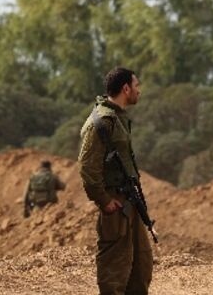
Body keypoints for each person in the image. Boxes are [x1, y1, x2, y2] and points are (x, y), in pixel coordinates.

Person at [78, 67, 152, 295]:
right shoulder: (102, 121)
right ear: (126, 88)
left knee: (141, 266)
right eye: (137, 85)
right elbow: (87, 166)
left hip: (129, 201)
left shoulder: (118, 118)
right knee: (114, 269)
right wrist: (104, 200)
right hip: (115, 203)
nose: (139, 90)